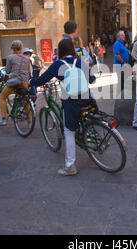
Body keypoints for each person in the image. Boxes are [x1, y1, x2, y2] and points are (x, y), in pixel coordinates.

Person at [29, 38, 97, 176]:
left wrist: (30, 81)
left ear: (60, 51)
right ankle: (90, 135)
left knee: (69, 132)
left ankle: (70, 166)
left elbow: (42, 79)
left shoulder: (58, 64)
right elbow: (92, 78)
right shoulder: (80, 61)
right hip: (87, 99)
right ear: (72, 49)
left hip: (72, 103)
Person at [0, 40, 31, 126]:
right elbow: (27, 70)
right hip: (24, 81)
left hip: (14, 81)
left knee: (2, 97)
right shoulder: (27, 58)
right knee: (25, 100)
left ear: (12, 48)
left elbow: (8, 70)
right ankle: (30, 119)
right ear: (21, 48)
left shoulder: (10, 57)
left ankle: (4, 118)